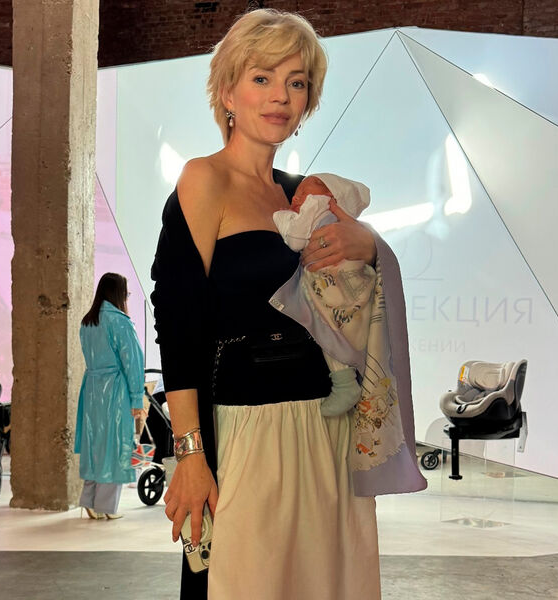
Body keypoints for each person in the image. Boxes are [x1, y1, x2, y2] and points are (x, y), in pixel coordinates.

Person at [150, 9, 426, 599]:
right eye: (262, 78)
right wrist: (189, 455)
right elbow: (177, 323)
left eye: (296, 82)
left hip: (328, 431)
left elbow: (355, 303)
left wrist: (369, 246)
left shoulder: (307, 194)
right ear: (228, 92)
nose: (281, 96)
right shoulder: (204, 180)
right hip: (247, 434)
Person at [273, 173, 375, 417]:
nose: (296, 197)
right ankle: (351, 379)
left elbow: (296, 240)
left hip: (334, 279)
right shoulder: (331, 214)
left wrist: (281, 217)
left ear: (330, 196)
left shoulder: (317, 206)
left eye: (304, 192)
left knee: (327, 327)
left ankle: (345, 381)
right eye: (297, 193)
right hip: (345, 283)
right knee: (340, 329)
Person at [74, 272, 145, 520]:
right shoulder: (120, 322)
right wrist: (137, 398)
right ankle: (105, 506)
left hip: (91, 389)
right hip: (115, 390)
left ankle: (89, 500)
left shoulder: (88, 322)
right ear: (119, 293)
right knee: (114, 447)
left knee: (94, 445)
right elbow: (133, 362)